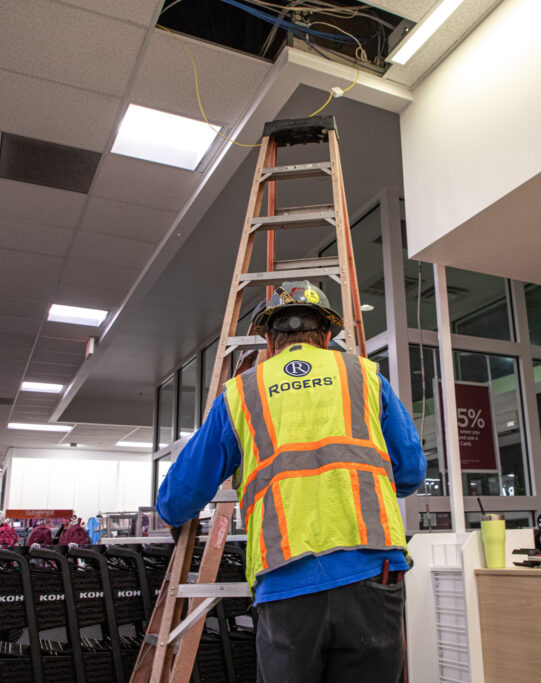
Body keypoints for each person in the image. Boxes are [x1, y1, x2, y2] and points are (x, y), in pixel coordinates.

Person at [156, 280, 426, 683]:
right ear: (328, 335)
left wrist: (169, 511)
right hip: (372, 572)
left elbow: (179, 497)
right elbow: (410, 473)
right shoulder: (367, 378)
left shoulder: (241, 392)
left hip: (285, 581)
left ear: (269, 339)